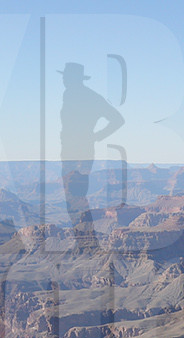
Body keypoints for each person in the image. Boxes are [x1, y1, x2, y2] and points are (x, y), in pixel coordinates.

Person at [58, 62, 125, 229]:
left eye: (66, 76)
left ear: (74, 78)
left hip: (80, 152)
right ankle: (80, 234)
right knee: (71, 195)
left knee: (76, 195)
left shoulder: (90, 97)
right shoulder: (68, 95)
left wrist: (97, 136)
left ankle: (83, 233)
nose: (64, 79)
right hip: (68, 151)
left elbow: (117, 119)